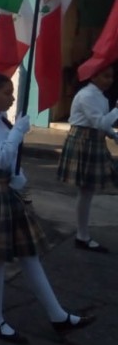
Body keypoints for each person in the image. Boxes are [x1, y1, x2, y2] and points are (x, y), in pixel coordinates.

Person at [0, 73, 96, 343]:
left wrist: (18, 174)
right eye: (7, 92)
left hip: (5, 189)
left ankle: (58, 316)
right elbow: (0, 157)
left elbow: (9, 161)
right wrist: (18, 132)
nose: (11, 97)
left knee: (28, 254)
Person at [56, 65, 118, 253]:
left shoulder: (99, 95)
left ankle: (82, 235)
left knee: (88, 191)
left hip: (93, 141)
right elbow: (99, 122)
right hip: (84, 141)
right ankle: (82, 236)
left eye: (111, 77)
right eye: (105, 76)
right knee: (86, 191)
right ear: (93, 76)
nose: (109, 80)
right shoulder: (88, 95)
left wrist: (114, 135)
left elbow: (102, 123)